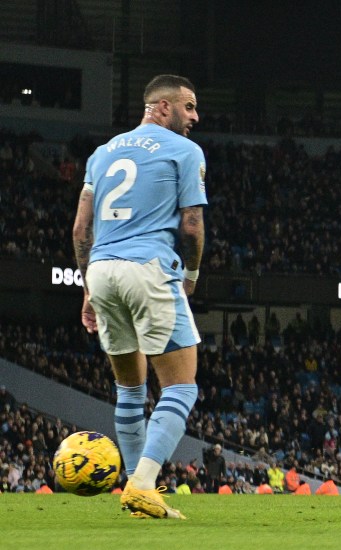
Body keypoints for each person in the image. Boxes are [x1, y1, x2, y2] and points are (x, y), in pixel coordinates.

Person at [72, 74, 206, 520]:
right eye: (188, 107)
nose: (195, 117)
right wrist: (189, 277)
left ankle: (135, 486)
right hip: (149, 268)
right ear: (162, 107)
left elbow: (80, 230)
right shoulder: (185, 151)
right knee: (182, 386)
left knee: (129, 388)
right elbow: (190, 225)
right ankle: (143, 483)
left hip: (104, 270)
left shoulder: (101, 153)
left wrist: (89, 287)